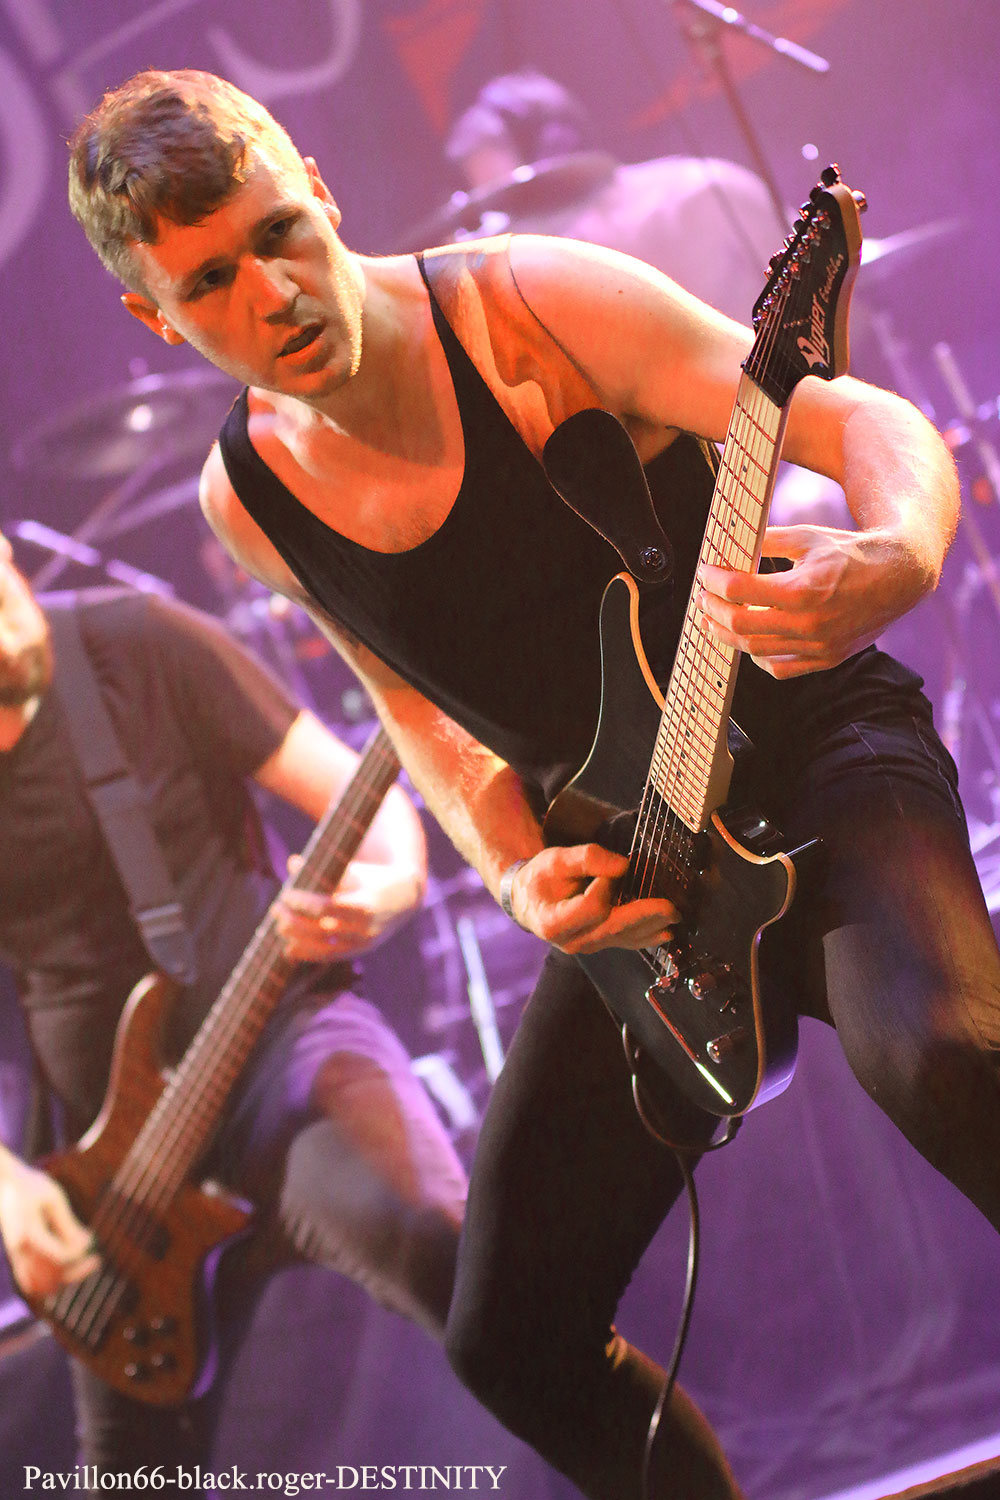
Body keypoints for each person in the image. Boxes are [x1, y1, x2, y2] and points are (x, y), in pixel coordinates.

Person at [66, 70, 1000, 1500]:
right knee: (506, 1339)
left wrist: (901, 551)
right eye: (210, 282)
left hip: (814, 751)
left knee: (945, 1059)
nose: (272, 291)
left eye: (278, 234)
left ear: (319, 187)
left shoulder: (530, 305)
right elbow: (415, 713)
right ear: (154, 316)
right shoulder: (245, 497)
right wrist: (512, 870)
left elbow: (856, 421)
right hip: (646, 865)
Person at [0, 535, 467, 1483]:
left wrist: (394, 885)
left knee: (448, 1255)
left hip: (279, 1047)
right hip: (114, 1184)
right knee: (127, 1475)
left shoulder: (138, 642)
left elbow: (354, 790)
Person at [439, 69, 785, 323]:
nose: (505, 226)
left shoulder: (706, 189)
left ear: (557, 149)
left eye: (520, 199)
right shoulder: (544, 275)